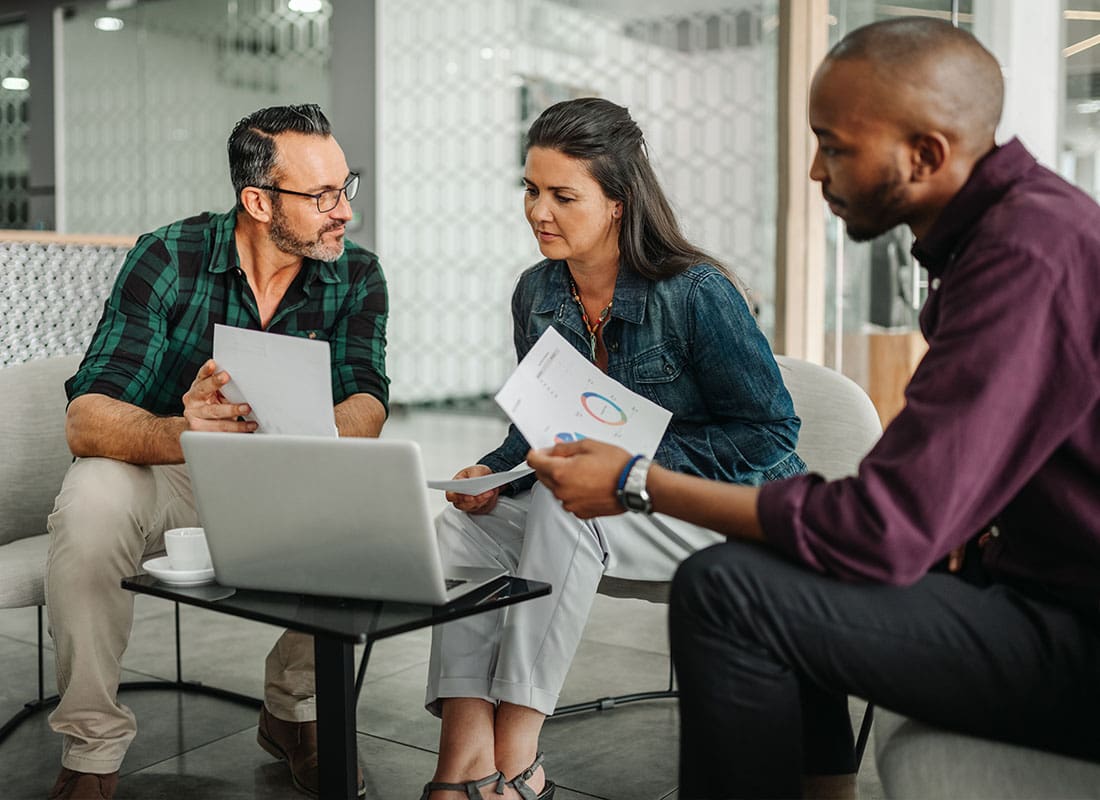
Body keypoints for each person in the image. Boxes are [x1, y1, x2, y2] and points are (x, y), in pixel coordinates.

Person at [527, 17, 1100, 800]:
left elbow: (883, 529)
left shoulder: (1027, 255)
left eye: (834, 146)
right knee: (779, 560)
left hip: (1077, 638)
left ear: (924, 155)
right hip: (1034, 587)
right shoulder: (1009, 237)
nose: (813, 170)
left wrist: (637, 482)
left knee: (726, 593)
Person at [421, 97, 805, 800]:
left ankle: (516, 760)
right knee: (466, 526)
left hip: (714, 510)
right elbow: (538, 420)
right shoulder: (536, 293)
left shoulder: (696, 293)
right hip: (612, 501)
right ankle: (463, 761)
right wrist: (493, 469)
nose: (539, 211)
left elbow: (769, 434)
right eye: (531, 190)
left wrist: (631, 466)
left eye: (564, 196)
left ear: (619, 203)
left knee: (571, 513)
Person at [45, 104, 389, 800]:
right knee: (91, 499)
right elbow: (88, 419)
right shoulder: (169, 256)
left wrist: (309, 432)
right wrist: (183, 431)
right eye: (321, 195)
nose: (343, 211)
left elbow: (368, 400)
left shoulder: (357, 275)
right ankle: (91, 751)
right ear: (258, 201)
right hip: (174, 473)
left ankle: (295, 713)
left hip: (284, 474)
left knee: (365, 506)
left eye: (345, 186)